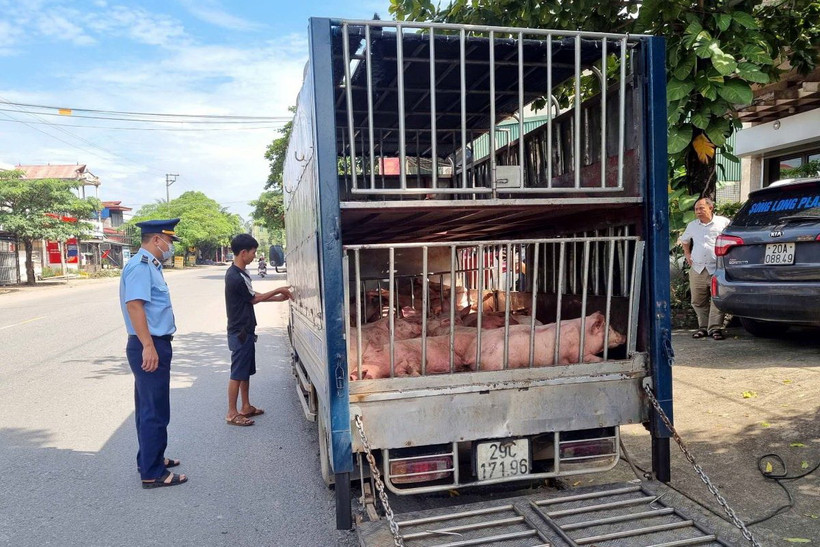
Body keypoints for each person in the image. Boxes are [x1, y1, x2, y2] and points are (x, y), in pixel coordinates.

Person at [119, 218, 187, 488]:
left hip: (153, 343)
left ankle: (151, 458)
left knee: (149, 407)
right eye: (169, 241)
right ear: (157, 239)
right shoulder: (141, 266)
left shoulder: (151, 266)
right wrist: (148, 346)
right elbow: (135, 306)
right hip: (149, 344)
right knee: (155, 411)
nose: (171, 246)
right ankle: (152, 473)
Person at [224, 234, 291, 426]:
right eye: (253, 252)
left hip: (246, 331)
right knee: (237, 373)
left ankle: (246, 406)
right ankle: (231, 413)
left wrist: (277, 298)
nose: (255, 255)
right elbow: (254, 299)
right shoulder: (235, 276)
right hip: (240, 332)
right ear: (243, 253)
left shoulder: (241, 273)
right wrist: (278, 290)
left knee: (245, 371)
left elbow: (251, 295)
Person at [679, 197, 731, 340]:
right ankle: (703, 327)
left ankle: (715, 328)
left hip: (717, 268)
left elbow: (732, 238)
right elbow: (684, 240)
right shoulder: (692, 225)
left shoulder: (723, 222)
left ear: (710, 208)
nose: (698, 211)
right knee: (697, 300)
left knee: (717, 299)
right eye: (696, 209)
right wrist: (687, 254)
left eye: (701, 208)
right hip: (698, 268)